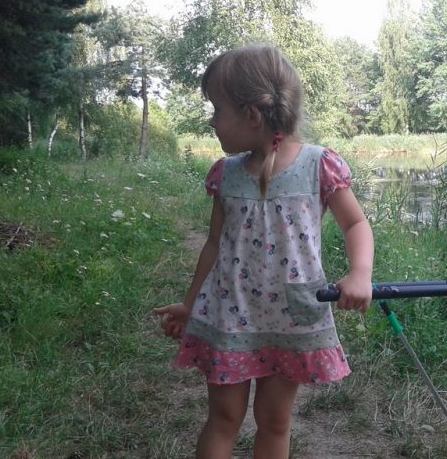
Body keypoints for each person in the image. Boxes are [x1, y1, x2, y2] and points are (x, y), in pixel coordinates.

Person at [153, 44, 374, 459]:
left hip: (289, 320)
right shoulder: (225, 174)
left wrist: (360, 273)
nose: (212, 121)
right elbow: (214, 244)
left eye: (217, 110)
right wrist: (190, 304)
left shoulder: (318, 165)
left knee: (274, 421)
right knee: (223, 419)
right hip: (229, 316)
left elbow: (355, 224)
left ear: (252, 114)